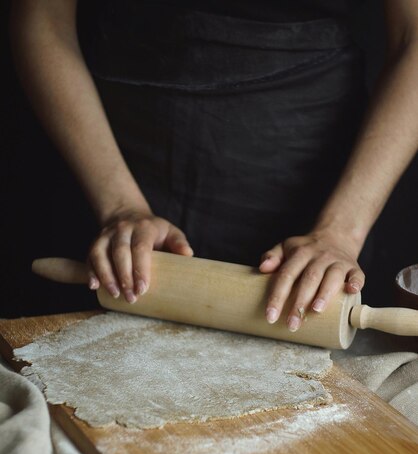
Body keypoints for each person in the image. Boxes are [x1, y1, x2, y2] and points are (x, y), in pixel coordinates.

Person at [9, 0, 418, 332]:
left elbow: (413, 36)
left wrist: (339, 231)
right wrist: (119, 206)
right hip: (105, 157)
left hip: (312, 178)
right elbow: (42, 17)